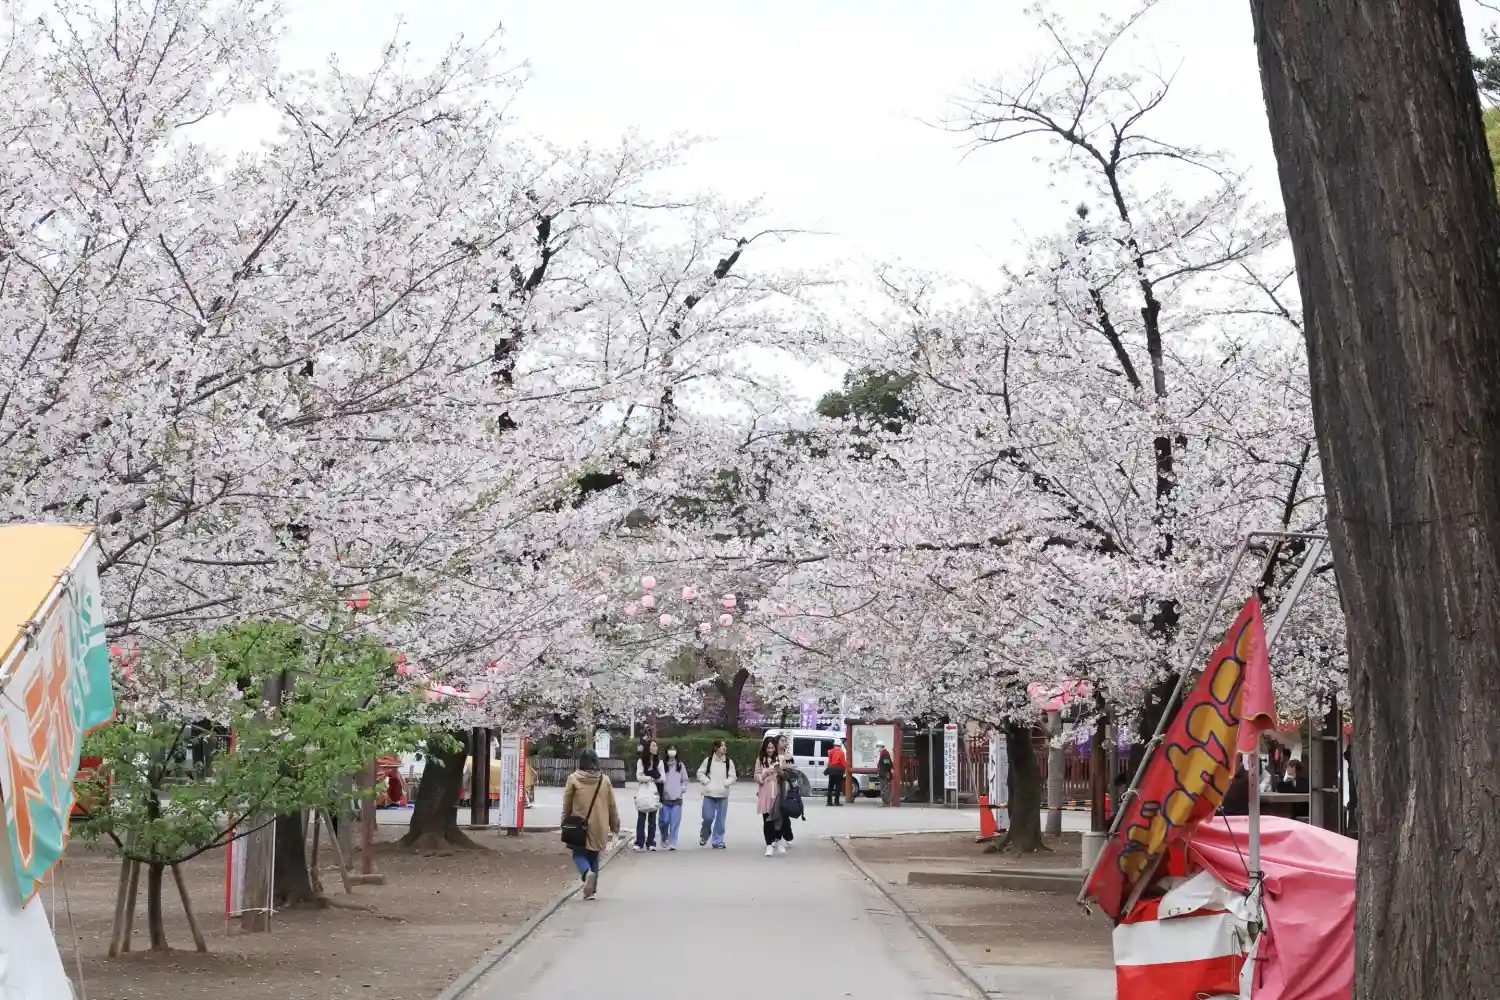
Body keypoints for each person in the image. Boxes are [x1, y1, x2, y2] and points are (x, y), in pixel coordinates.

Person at [561, 749, 619, 900]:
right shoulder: (604, 780)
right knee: (594, 855)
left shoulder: (573, 779)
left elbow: (567, 805)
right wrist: (615, 826)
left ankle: (587, 873)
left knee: (578, 854)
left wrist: (564, 822)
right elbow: (612, 806)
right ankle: (591, 892)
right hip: (600, 825)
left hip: (579, 826)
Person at [697, 739, 736, 848]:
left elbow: (733, 776)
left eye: (725, 746)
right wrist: (707, 782)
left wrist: (726, 783)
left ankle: (717, 840)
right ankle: (704, 835)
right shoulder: (708, 760)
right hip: (709, 793)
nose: (724, 748)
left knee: (720, 819)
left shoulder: (728, 762)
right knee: (707, 817)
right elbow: (700, 773)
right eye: (721, 746)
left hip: (723, 794)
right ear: (715, 748)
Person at [755, 736, 789, 856]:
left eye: (772, 748)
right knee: (767, 820)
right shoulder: (760, 760)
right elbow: (757, 777)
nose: (770, 750)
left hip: (778, 793)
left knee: (779, 819)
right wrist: (766, 774)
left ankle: (778, 840)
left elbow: (787, 776)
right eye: (768, 748)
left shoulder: (780, 759)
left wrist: (781, 772)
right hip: (765, 793)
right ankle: (769, 845)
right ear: (764, 748)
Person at [659, 745, 690, 850]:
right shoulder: (662, 765)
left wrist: (681, 790)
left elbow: (685, 780)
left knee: (674, 822)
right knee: (664, 821)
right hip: (665, 799)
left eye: (674, 749)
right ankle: (664, 837)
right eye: (670, 749)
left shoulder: (680, 765)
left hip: (677, 799)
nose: (672, 751)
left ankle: (673, 842)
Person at [634, 739, 663, 851]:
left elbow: (661, 777)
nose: (656, 748)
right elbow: (639, 776)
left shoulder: (658, 762)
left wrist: (650, 776)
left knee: (652, 817)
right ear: (648, 747)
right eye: (653, 746)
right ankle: (639, 842)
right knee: (641, 817)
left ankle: (651, 842)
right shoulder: (641, 761)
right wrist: (650, 777)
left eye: (656, 746)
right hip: (643, 790)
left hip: (654, 790)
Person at [825, 739, 847, 807]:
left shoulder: (830, 751)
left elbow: (829, 762)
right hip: (838, 770)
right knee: (838, 787)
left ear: (834, 745)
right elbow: (843, 763)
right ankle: (836, 802)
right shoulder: (841, 752)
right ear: (840, 745)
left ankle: (829, 802)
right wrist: (845, 769)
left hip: (831, 770)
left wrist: (829, 769)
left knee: (830, 787)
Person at [877, 741, 894, 806]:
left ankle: (886, 803)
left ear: (881, 746)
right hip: (884, 773)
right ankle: (885, 802)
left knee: (883, 788)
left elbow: (886, 763)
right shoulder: (883, 753)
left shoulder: (885, 753)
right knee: (884, 788)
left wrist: (886, 772)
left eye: (878, 746)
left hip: (884, 773)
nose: (877, 748)